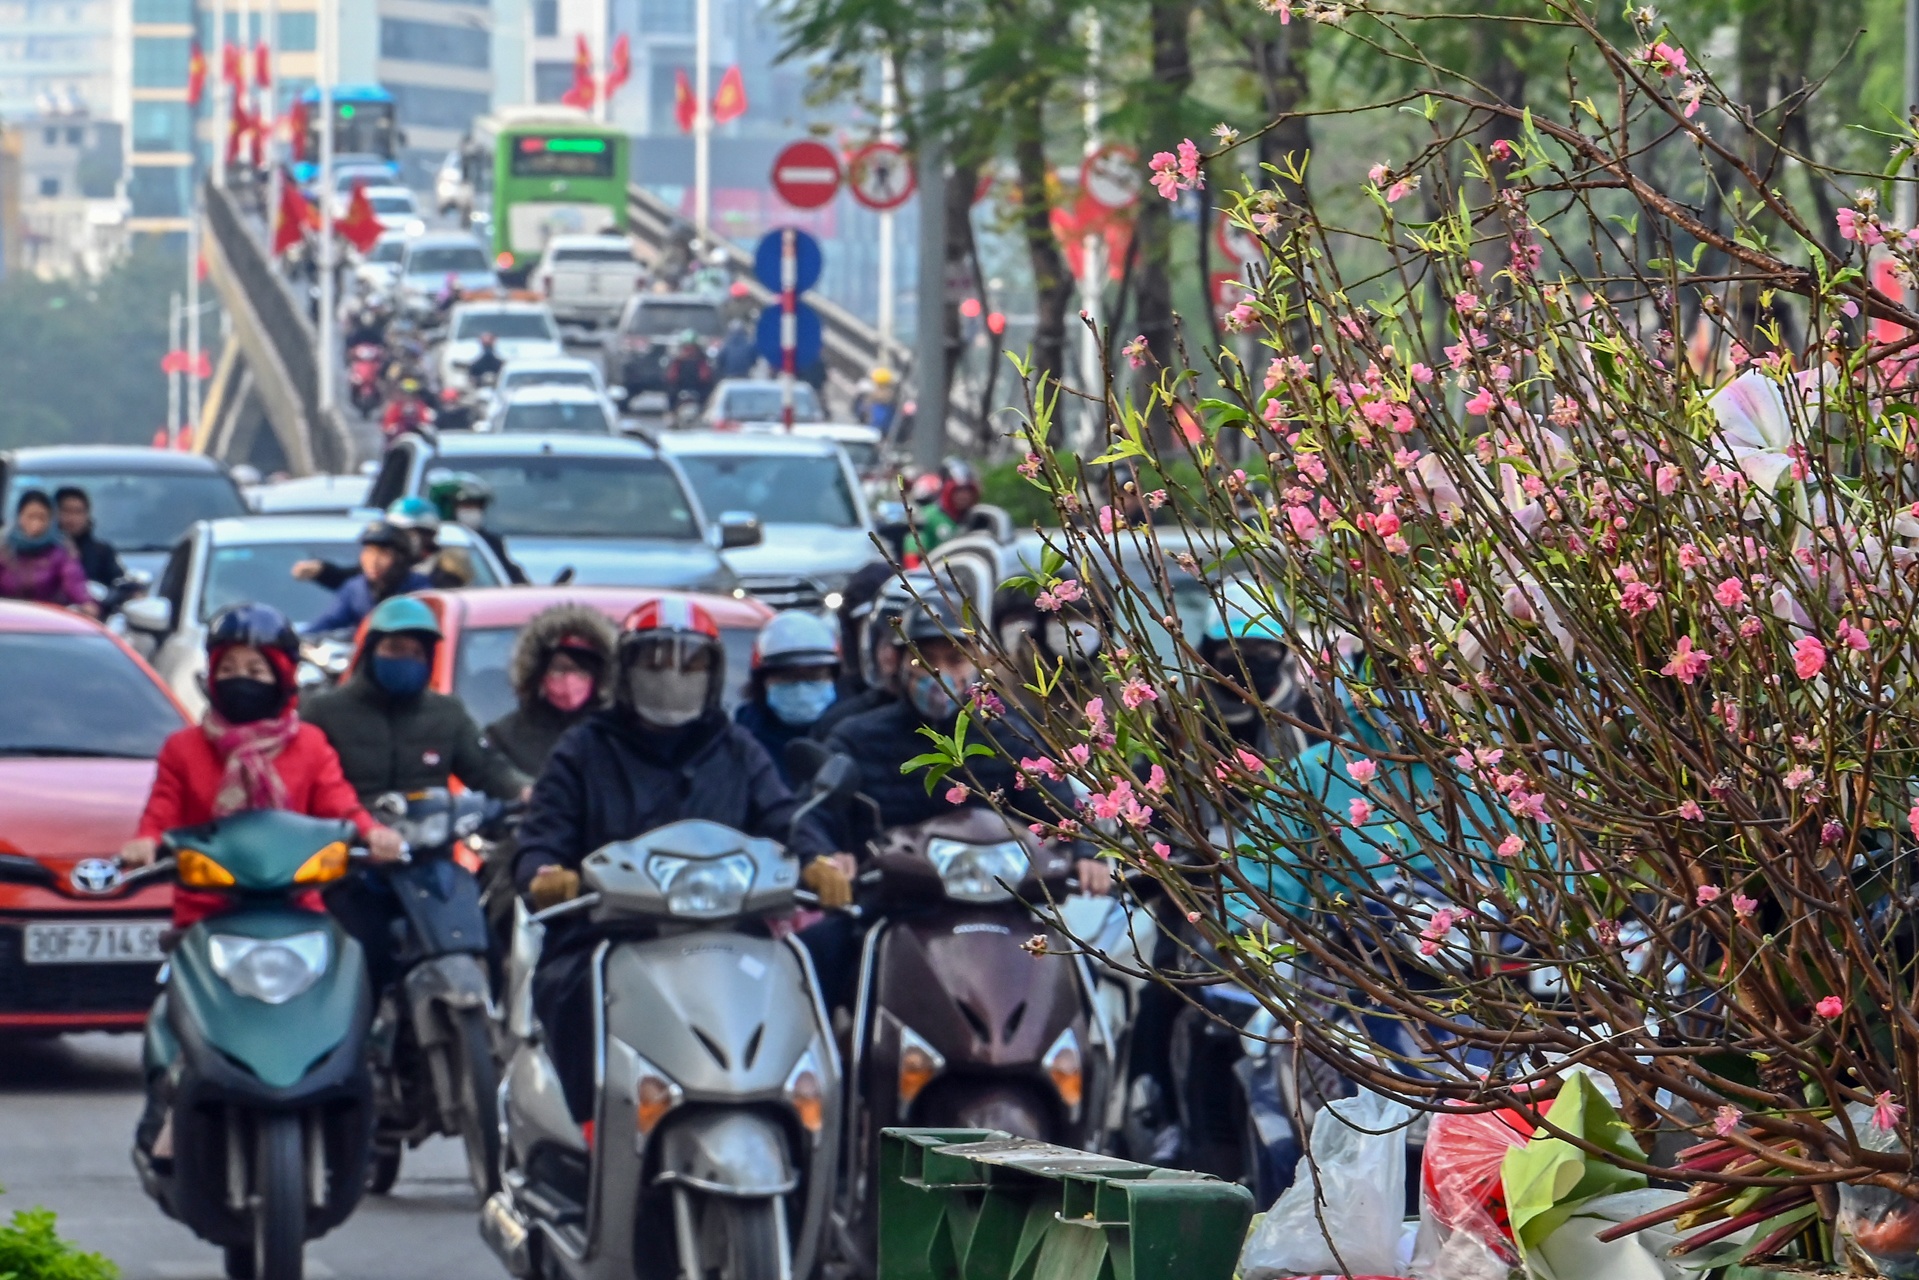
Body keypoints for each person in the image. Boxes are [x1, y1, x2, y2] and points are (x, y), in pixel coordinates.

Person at [512, 598, 844, 1122]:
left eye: (690, 664)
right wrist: (546, 874)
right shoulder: (583, 749)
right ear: (626, 671)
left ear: (713, 675)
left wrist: (817, 860)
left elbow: (784, 817)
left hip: (729, 935)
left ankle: (801, 1137)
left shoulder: (737, 748)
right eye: (655, 662)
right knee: (568, 992)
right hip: (610, 936)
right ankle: (592, 1132)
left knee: (794, 988)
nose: (672, 677)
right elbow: (543, 836)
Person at [303, 597, 531, 989]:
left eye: (415, 652)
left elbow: (486, 769)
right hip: (353, 870)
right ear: (371, 650)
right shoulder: (326, 712)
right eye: (394, 649)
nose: (405, 659)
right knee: (359, 963)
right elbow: (304, 782)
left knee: (485, 949)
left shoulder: (446, 714)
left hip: (429, 865)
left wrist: (524, 792)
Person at [120, 604, 407, 908]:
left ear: (282, 679)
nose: (239, 679)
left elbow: (338, 804)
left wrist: (373, 833)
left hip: (296, 907)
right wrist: (146, 842)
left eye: (255, 671)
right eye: (227, 669)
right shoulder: (183, 748)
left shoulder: (309, 744)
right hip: (205, 910)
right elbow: (162, 812)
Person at [484, 604, 618, 776]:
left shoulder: (618, 736)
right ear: (538, 674)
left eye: (581, 670)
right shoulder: (504, 737)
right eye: (559, 669)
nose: (570, 680)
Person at [734, 611, 840, 784]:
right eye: (788, 677)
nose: (801, 689)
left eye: (814, 676)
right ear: (762, 682)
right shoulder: (740, 742)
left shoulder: (853, 735)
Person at [297, 520, 430, 635]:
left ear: (401, 559)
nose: (373, 561)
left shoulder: (420, 590)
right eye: (369, 552)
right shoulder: (355, 589)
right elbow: (329, 622)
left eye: (384, 553)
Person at [0, 489, 94, 614]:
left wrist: (87, 605)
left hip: (48, 621)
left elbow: (74, 584)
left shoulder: (62, 552)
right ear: (19, 517)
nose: (36, 523)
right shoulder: (4, 549)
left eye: (42, 517)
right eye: (31, 516)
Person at [428, 471, 527, 584]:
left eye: (478, 505)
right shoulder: (432, 543)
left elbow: (511, 579)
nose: (473, 511)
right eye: (467, 505)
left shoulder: (490, 543)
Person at [54, 486, 127, 590]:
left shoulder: (102, 553)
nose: (72, 518)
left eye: (78, 512)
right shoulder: (41, 552)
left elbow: (118, 583)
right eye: (66, 511)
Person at [664, 329, 713, 407]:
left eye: (692, 348)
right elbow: (671, 376)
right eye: (687, 348)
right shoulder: (678, 361)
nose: (689, 351)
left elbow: (705, 376)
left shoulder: (701, 361)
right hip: (681, 391)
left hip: (696, 390)